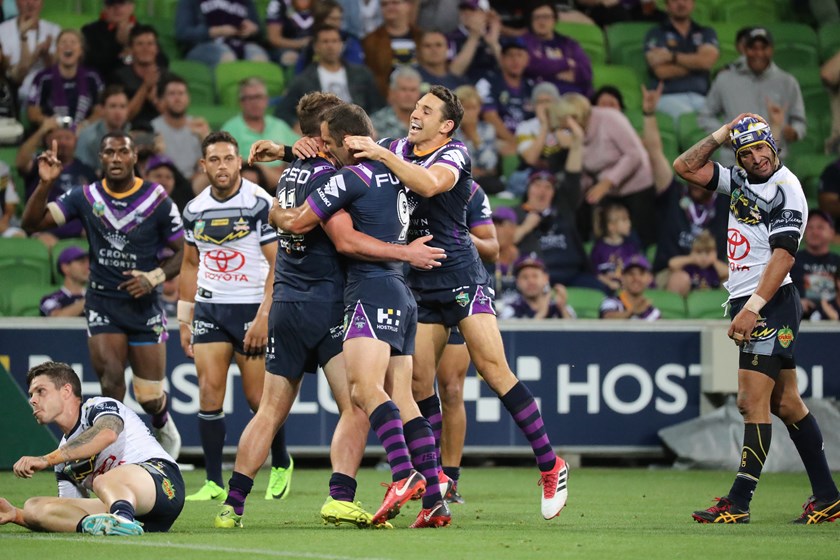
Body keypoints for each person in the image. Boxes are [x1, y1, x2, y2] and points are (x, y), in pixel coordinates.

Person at [214, 94, 445, 529]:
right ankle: (343, 495)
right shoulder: (335, 176)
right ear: (327, 136)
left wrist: (283, 159)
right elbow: (340, 237)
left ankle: (233, 504)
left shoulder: (290, 174)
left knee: (269, 410)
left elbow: (290, 215)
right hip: (332, 305)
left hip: (286, 301)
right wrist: (404, 253)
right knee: (359, 402)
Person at [345, 85, 569, 521]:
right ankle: (436, 492)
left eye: (426, 110)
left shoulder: (454, 155)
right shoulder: (397, 147)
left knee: (492, 369)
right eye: (415, 106)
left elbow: (429, 184)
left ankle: (550, 463)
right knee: (416, 384)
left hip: (462, 278)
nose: (415, 113)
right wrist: (291, 146)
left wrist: (381, 153)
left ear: (445, 125)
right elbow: (346, 148)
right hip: (419, 280)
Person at [674, 114, 840, 524]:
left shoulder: (788, 190)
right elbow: (684, 167)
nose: (755, 158)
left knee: (751, 403)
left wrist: (751, 309)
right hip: (757, 301)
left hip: (769, 302)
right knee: (786, 403)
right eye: (745, 153)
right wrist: (720, 134)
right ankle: (828, 497)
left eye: (760, 149)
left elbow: (784, 255)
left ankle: (739, 501)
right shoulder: (741, 181)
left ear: (773, 146)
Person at [20, 130, 185, 460]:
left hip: (144, 306)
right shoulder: (86, 196)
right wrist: (45, 183)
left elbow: (182, 251)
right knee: (111, 381)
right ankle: (117, 455)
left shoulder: (157, 199)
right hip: (103, 303)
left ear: (134, 157)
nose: (116, 159)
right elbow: (31, 223)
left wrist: (153, 277)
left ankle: (161, 419)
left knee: (149, 394)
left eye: (122, 152)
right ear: (101, 158)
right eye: (109, 153)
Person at [177, 131, 292, 502]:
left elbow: (279, 265)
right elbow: (190, 263)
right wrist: (184, 319)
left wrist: (263, 316)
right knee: (209, 394)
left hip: (251, 306)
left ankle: (280, 462)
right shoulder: (194, 209)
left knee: (260, 399)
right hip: (211, 307)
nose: (223, 166)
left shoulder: (260, 203)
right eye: (215, 160)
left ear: (240, 161)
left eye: (229, 159)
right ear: (204, 165)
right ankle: (212, 481)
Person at [0, 361, 184, 535]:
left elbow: (107, 434)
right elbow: (69, 509)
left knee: (102, 481)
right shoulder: (63, 457)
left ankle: (121, 519)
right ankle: (112, 524)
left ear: (66, 391)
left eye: (41, 391)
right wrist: (17, 516)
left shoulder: (99, 407)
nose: (33, 400)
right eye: (31, 394)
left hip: (163, 484)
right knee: (34, 506)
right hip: (133, 509)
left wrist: (45, 460)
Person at [436, 180, 499, 504]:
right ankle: (420, 472)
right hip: (417, 289)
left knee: (451, 388)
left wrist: (457, 232)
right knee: (412, 387)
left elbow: (492, 247)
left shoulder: (471, 192)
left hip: (459, 290)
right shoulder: (408, 180)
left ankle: (450, 477)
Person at [698, 28, 806, 168]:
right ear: (744, 49)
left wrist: (795, 132)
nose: (758, 53)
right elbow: (705, 116)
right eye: (753, 48)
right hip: (734, 161)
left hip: (775, 161)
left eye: (763, 48)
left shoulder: (787, 82)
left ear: (771, 50)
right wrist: (724, 135)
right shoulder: (725, 80)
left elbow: (800, 122)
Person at [275, 25, 383, 131]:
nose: (330, 46)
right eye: (325, 41)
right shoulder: (303, 80)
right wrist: (296, 125)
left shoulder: (362, 74)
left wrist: (372, 125)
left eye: (335, 41)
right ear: (316, 47)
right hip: (322, 131)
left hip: (358, 128)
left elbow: (377, 105)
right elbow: (283, 111)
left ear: (341, 44)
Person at [17, 117, 96, 246]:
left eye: (68, 138)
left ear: (76, 141)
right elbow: (21, 162)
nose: (63, 142)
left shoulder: (87, 171)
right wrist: (42, 130)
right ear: (48, 141)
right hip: (45, 230)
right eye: (58, 138)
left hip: (80, 231)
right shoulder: (41, 165)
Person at [643, 0, 719, 123]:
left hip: (702, 96)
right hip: (668, 96)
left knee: (719, 124)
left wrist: (672, 57)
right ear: (666, 5)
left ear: (693, 3)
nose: (681, 4)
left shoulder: (705, 32)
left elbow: (707, 62)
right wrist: (697, 64)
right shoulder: (656, 33)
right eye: (675, 0)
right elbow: (662, 71)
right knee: (689, 121)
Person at [221, 77, 298, 187]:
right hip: (250, 182)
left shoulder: (279, 125)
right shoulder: (230, 129)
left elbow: (298, 153)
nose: (255, 103)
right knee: (249, 175)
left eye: (258, 97)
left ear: (266, 100)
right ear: (241, 102)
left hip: (284, 180)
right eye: (249, 98)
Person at [26, 29, 103, 129]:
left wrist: (84, 126)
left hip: (85, 133)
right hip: (53, 132)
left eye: (73, 42)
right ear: (57, 50)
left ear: (81, 51)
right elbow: (33, 114)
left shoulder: (93, 77)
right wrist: (54, 124)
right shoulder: (43, 78)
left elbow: (101, 111)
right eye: (63, 42)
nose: (68, 46)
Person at [520, 2, 592, 97]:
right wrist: (566, 63)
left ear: (554, 20)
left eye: (546, 17)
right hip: (542, 97)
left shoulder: (569, 44)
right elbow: (531, 64)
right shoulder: (524, 42)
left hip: (576, 97)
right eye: (537, 17)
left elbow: (586, 72)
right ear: (531, 21)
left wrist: (548, 70)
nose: (541, 22)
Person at [108, 24, 169, 130]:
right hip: (128, 132)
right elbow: (122, 117)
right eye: (140, 44)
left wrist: (155, 100)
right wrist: (145, 87)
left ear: (157, 49)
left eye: (150, 44)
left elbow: (174, 119)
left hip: (161, 134)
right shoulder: (119, 77)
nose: (145, 49)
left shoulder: (168, 78)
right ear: (131, 49)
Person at [152, 75, 210, 184]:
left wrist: (205, 138)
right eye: (172, 94)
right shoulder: (154, 127)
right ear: (163, 99)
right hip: (165, 182)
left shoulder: (198, 126)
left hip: (193, 182)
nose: (177, 98)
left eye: (181, 93)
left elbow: (204, 163)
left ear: (188, 98)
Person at [476, 38, 533, 149]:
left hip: (527, 141)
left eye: (519, 55)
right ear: (501, 59)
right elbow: (490, 117)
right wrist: (516, 144)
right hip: (497, 139)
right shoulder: (487, 82)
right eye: (510, 55)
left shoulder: (531, 87)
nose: (515, 60)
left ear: (527, 60)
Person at [175, 0, 268, 68]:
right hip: (204, 46)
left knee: (258, 55)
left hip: (240, 43)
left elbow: (263, 35)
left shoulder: (246, 2)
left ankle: (256, 93)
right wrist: (215, 31)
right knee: (226, 55)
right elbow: (183, 33)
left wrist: (254, 29)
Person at [0, 0, 60, 103]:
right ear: (16, 2)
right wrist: (25, 38)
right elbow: (13, 75)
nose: (30, 3)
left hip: (47, 93)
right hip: (11, 94)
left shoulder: (54, 30)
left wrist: (46, 55)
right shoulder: (2, 30)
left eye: (35, 0)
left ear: (42, 3)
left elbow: (58, 69)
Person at [361, 0, 421, 98]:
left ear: (408, 6)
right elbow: (373, 76)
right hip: (386, 98)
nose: (390, 7)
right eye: (384, 4)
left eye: (395, 3)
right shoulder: (370, 41)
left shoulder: (421, 37)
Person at [790, 210, 840, 321]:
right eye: (810, 228)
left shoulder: (837, 262)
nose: (814, 232)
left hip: (835, 322)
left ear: (832, 233)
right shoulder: (790, 261)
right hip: (800, 320)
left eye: (820, 228)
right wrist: (796, 303)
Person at [75, 85, 131, 174]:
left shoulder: (131, 134)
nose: (118, 112)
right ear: (102, 109)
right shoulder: (88, 137)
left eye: (122, 106)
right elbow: (82, 171)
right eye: (113, 106)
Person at [590, 202, 643, 294]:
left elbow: (637, 270)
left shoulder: (631, 247)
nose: (629, 223)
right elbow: (594, 273)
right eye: (624, 220)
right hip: (605, 290)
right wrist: (609, 283)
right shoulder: (598, 249)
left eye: (628, 219)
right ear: (612, 227)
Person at [501, 253, 575, 319]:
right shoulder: (510, 309)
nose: (531, 281)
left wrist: (562, 309)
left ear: (546, 278)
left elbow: (575, 333)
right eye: (525, 277)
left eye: (535, 276)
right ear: (517, 282)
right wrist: (542, 312)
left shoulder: (560, 307)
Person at [446, 0, 502, 83]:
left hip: (493, 88)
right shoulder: (451, 37)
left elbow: (509, 72)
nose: (466, 13)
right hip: (463, 88)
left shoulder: (494, 35)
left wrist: (494, 44)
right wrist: (474, 37)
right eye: (463, 9)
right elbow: (454, 72)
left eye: (472, 10)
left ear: (485, 14)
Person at [664, 229, 728, 296]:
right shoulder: (689, 265)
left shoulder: (714, 267)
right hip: (690, 297)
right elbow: (672, 264)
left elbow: (727, 272)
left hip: (710, 298)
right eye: (699, 252)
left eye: (707, 252)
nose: (703, 256)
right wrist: (692, 258)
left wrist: (713, 260)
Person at [599, 254, 660, 320]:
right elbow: (607, 318)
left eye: (641, 274)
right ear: (622, 277)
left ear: (649, 278)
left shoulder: (653, 312)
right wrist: (633, 312)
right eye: (631, 273)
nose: (636, 278)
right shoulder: (611, 302)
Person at [370, 66, 422, 140]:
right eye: (403, 89)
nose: (408, 95)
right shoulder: (374, 124)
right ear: (392, 92)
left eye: (413, 90)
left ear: (419, 94)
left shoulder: (427, 122)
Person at [40, 246, 88, 317]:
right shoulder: (50, 300)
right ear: (65, 268)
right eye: (82, 262)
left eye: (89, 262)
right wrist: (90, 299)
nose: (88, 266)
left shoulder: (99, 297)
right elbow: (57, 319)